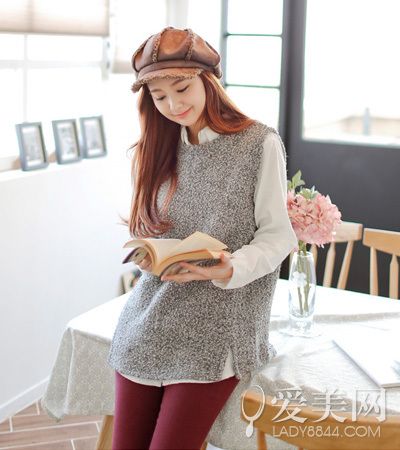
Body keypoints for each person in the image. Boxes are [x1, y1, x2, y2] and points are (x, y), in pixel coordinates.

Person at [107, 26, 298, 450]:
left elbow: (278, 237)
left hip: (219, 327)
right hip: (148, 319)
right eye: (159, 97)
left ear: (208, 81)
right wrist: (149, 254)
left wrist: (230, 267)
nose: (173, 106)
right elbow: (152, 227)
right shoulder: (157, 146)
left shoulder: (258, 144)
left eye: (182, 89)